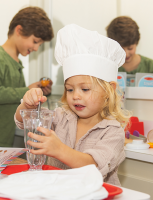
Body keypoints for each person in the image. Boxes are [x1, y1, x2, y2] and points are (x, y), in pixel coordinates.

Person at [14, 24, 129, 186]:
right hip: (59, 196)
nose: (75, 96)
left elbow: (95, 166)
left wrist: (59, 149)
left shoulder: (112, 132)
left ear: (109, 90)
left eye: (85, 89)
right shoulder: (61, 117)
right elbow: (23, 121)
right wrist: (28, 105)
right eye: (69, 89)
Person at [0, 7, 54, 147]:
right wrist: (25, 90)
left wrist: (34, 94)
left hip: (4, 137)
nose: (36, 48)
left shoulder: (17, 62)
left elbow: (18, 99)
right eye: (35, 41)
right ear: (19, 30)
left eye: (39, 45)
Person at [106, 16, 153, 87]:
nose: (125, 54)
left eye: (130, 48)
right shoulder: (108, 67)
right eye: (121, 49)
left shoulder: (151, 67)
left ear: (137, 43)